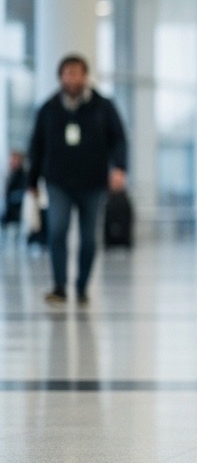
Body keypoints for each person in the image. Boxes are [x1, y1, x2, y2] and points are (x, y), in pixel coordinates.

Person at [27, 54, 128, 305]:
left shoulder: (103, 106)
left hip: (93, 183)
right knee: (57, 230)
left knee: (88, 237)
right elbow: (36, 146)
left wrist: (119, 168)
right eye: (67, 73)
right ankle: (60, 286)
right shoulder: (48, 109)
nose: (72, 78)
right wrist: (32, 181)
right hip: (58, 181)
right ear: (60, 76)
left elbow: (119, 139)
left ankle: (81, 287)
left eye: (77, 73)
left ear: (85, 76)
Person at [2, 151, 25, 244]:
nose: (11, 162)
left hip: (16, 209)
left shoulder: (22, 175)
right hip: (10, 207)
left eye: (13, 159)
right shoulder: (12, 174)